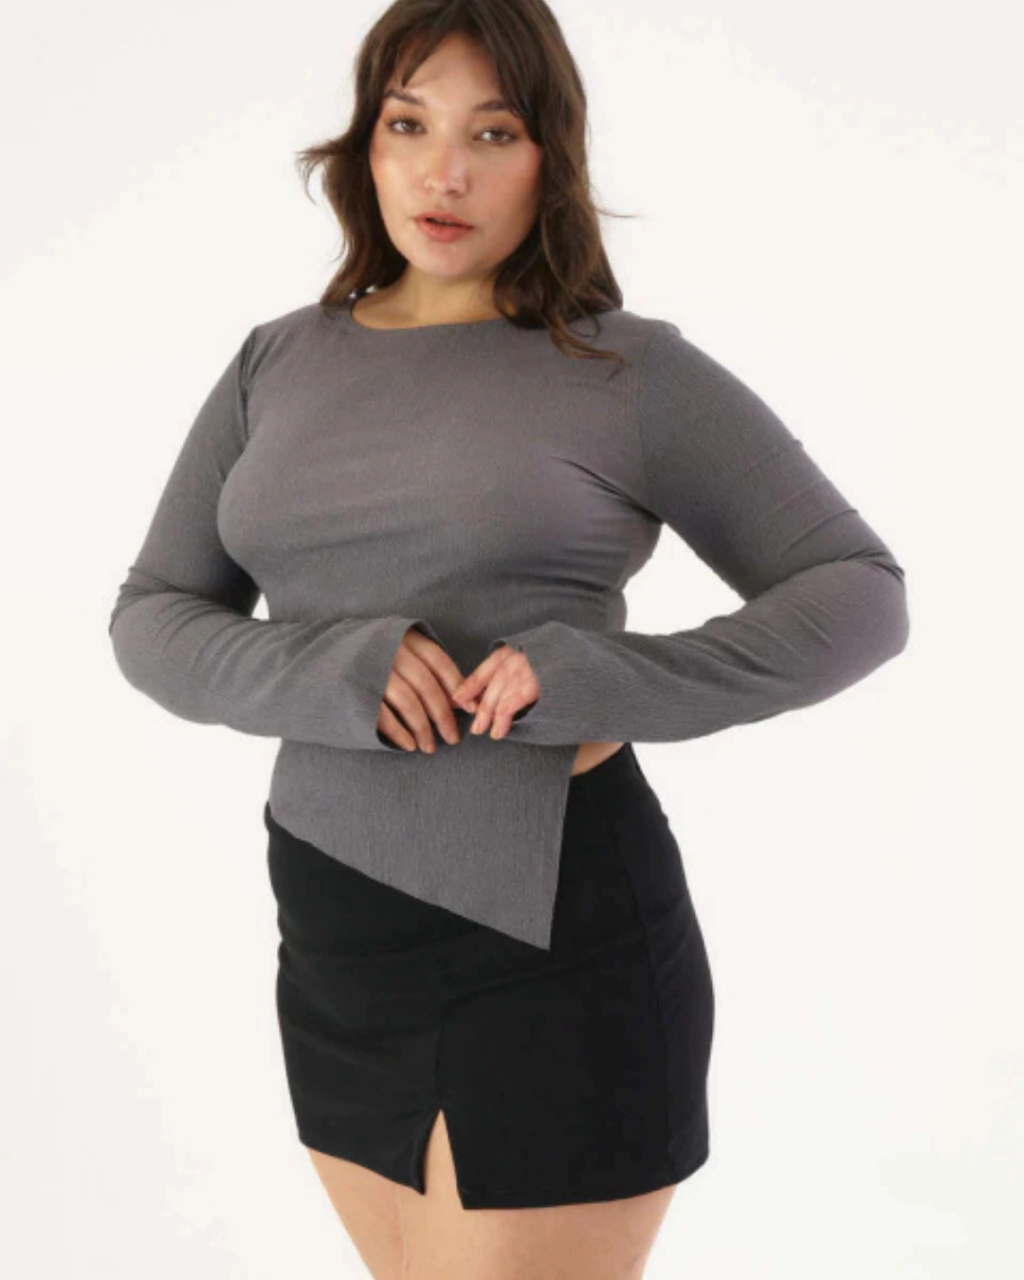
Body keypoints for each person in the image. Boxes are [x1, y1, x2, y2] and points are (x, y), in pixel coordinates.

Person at [108, 4, 910, 1277]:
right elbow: (153, 615)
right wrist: (333, 668)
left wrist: (599, 677)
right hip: (332, 943)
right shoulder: (275, 362)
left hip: (550, 944)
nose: (444, 173)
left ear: (551, 157)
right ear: (363, 147)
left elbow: (858, 592)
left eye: (492, 132)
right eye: (407, 125)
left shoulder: (623, 371)